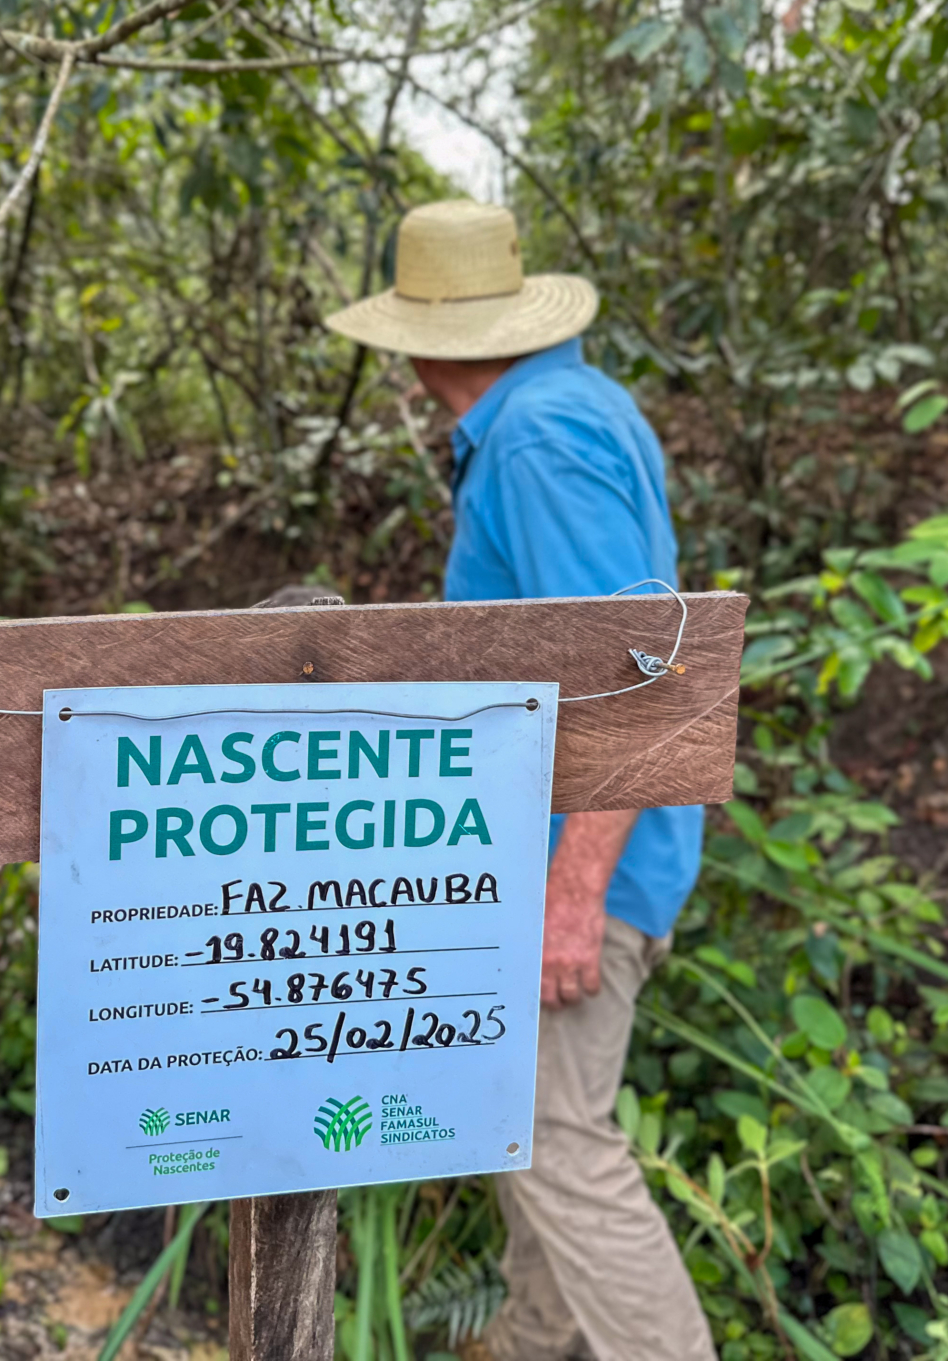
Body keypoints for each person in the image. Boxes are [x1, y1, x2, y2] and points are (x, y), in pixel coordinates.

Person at [324, 201, 713, 1361]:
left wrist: (572, 889)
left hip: (586, 857)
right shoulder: (566, 409)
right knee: (527, 1126)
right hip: (569, 849)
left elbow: (640, 665)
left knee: (552, 1140)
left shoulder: (539, 438)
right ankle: (535, 1340)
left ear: (422, 338)